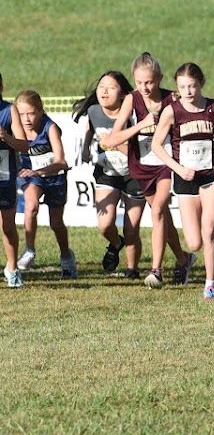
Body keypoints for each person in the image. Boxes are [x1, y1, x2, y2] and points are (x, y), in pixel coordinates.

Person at [104, 53, 192, 290]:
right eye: (139, 82)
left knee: (158, 212)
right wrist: (141, 125)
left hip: (166, 165)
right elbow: (112, 138)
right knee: (163, 217)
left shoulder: (172, 99)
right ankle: (183, 260)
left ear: (160, 79)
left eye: (149, 82)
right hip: (142, 166)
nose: (144, 87)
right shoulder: (132, 100)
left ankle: (156, 271)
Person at [152, 64, 214, 298]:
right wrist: (179, 169)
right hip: (185, 177)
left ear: (201, 83)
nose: (188, 91)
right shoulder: (171, 111)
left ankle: (211, 284)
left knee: (209, 230)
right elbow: (156, 146)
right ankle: (189, 259)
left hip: (210, 175)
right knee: (194, 243)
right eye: (182, 87)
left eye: (192, 86)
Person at [73, 71, 145, 278]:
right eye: (101, 86)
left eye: (111, 87)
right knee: (105, 224)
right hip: (107, 172)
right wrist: (86, 147)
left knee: (131, 229)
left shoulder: (133, 115)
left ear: (123, 94)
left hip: (134, 174)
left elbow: (138, 152)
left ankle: (132, 270)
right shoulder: (94, 111)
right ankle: (116, 243)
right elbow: (91, 126)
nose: (104, 91)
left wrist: (115, 142)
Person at [11, 91, 76, 279]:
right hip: (31, 177)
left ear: (40, 111)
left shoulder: (50, 127)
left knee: (56, 223)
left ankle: (67, 257)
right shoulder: (16, 129)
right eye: (21, 114)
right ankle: (29, 250)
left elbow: (61, 161)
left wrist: (39, 171)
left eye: (31, 113)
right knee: (31, 206)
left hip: (54, 176)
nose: (26, 119)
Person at [0, 75, 23, 288]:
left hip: (5, 177)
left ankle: (13, 268)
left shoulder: (9, 110)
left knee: (8, 225)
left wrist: (6, 137)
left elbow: (24, 144)